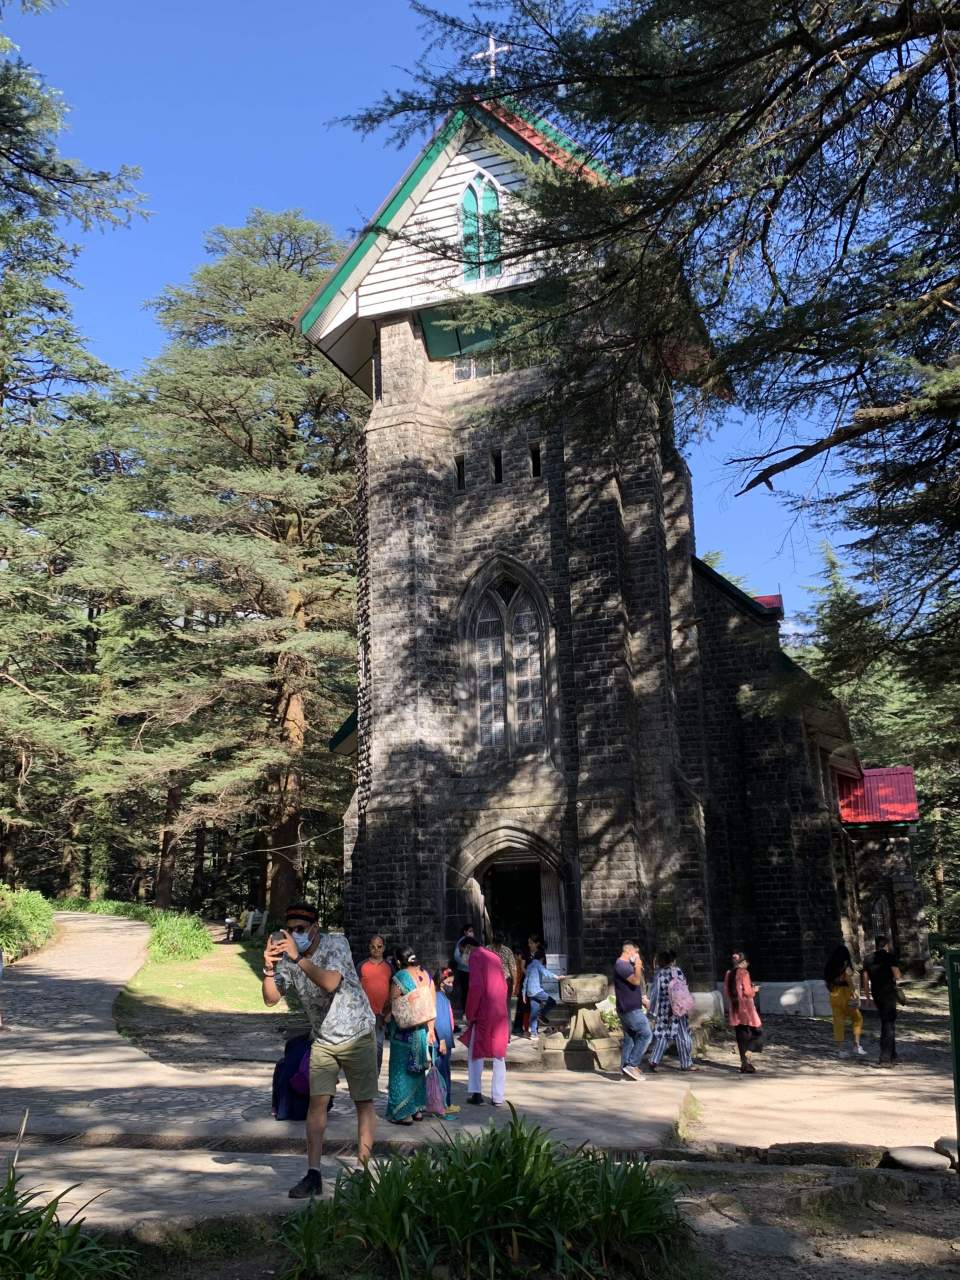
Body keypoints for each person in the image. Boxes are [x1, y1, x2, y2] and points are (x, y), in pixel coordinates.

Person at [263, 902, 378, 1199]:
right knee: (316, 1104)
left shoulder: (336, 943)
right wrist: (269, 968)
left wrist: (297, 958)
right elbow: (271, 998)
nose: (294, 935)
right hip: (324, 1039)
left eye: (300, 929)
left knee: (363, 1103)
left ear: (315, 928)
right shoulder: (289, 959)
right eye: (290, 930)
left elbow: (330, 982)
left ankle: (362, 1172)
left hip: (356, 1031)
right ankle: (313, 1174)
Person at [385, 945, 437, 1124]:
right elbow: (432, 1006)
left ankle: (402, 1113)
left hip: (403, 1034)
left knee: (400, 1071)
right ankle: (417, 1110)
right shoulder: (427, 976)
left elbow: (394, 1003)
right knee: (417, 1071)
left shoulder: (400, 977)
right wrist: (431, 1030)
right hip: (421, 1032)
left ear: (399, 961)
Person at [460, 936, 509, 1106]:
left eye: (463, 951)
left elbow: (476, 987)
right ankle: (498, 1097)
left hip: (484, 1010)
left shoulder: (475, 956)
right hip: (499, 1010)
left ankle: (476, 1093)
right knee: (499, 1054)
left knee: (476, 1051)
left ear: (468, 948)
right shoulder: (494, 956)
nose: (463, 956)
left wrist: (470, 1012)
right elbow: (504, 985)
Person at [646, 950, 695, 1072]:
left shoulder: (660, 974)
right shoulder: (677, 971)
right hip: (679, 1008)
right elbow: (685, 987)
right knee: (683, 1035)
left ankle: (653, 1061)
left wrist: (652, 1011)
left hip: (665, 1010)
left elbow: (655, 993)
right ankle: (686, 1063)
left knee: (663, 1035)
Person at [614, 940, 652, 1080]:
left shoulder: (624, 965)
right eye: (636, 953)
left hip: (629, 1006)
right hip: (630, 1009)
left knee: (630, 1039)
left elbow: (631, 988)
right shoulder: (622, 965)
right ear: (629, 951)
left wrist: (642, 999)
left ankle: (626, 1072)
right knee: (646, 1034)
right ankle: (632, 1064)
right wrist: (638, 965)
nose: (637, 955)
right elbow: (635, 981)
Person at [864, 935, 903, 1067]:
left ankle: (893, 1054)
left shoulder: (868, 959)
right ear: (886, 945)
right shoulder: (889, 957)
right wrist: (894, 976)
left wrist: (868, 998)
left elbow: (865, 980)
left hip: (876, 993)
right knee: (888, 1024)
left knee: (885, 1021)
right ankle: (885, 1058)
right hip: (888, 993)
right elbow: (897, 975)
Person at [824, 943, 866, 1059]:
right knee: (857, 1019)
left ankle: (840, 1050)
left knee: (838, 1022)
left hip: (834, 996)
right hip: (846, 996)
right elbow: (850, 983)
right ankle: (856, 1045)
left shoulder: (829, 967)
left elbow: (827, 983)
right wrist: (855, 995)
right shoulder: (846, 967)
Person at [358, 932, 392, 1073]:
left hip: (381, 1014)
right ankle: (365, 1075)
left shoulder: (389, 967)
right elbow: (355, 989)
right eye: (373, 946)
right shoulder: (362, 966)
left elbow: (394, 990)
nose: (376, 949)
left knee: (378, 1045)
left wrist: (389, 1011)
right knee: (364, 1046)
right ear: (369, 947)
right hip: (364, 1013)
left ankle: (375, 1075)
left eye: (379, 946)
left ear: (384, 948)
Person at [724, 950, 762, 1075]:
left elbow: (727, 992)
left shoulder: (728, 974)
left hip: (735, 1009)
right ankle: (748, 1059)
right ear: (743, 962)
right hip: (746, 1009)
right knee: (757, 1033)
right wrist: (755, 989)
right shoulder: (744, 973)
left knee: (741, 1037)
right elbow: (747, 992)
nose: (748, 964)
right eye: (747, 962)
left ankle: (744, 1063)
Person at [433, 966, 460, 1114]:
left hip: (445, 1041)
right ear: (441, 982)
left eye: (452, 982)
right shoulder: (438, 997)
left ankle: (447, 1103)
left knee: (445, 1072)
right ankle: (442, 1104)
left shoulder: (442, 997)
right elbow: (438, 1020)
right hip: (441, 1042)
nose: (451, 985)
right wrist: (442, 1040)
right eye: (449, 982)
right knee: (442, 1074)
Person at [523, 947, 558, 1041]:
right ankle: (541, 1014)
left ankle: (533, 1034)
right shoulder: (538, 964)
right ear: (542, 958)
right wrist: (556, 977)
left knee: (533, 1012)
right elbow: (546, 972)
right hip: (537, 991)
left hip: (530, 992)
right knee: (552, 1002)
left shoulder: (529, 965)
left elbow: (525, 980)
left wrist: (523, 993)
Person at [491, 930, 518, 1033]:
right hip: (506, 982)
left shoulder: (487, 949)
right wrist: (515, 984)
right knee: (506, 1007)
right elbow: (513, 968)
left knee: (493, 1007)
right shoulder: (507, 951)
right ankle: (507, 1033)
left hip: (492, 982)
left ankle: (496, 1032)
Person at [452, 923, 476, 1017]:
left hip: (471, 970)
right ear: (465, 932)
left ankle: (470, 1011)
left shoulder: (472, 941)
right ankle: (465, 1012)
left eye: (472, 931)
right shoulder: (462, 942)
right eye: (470, 931)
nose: (472, 933)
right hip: (464, 971)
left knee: (471, 992)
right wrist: (466, 963)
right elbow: (456, 956)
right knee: (466, 992)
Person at [511, 942, 529, 1036]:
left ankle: (518, 1027)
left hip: (521, 987)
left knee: (521, 1008)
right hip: (520, 988)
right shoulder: (518, 963)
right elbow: (517, 977)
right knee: (520, 1008)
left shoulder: (519, 962)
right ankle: (517, 1027)